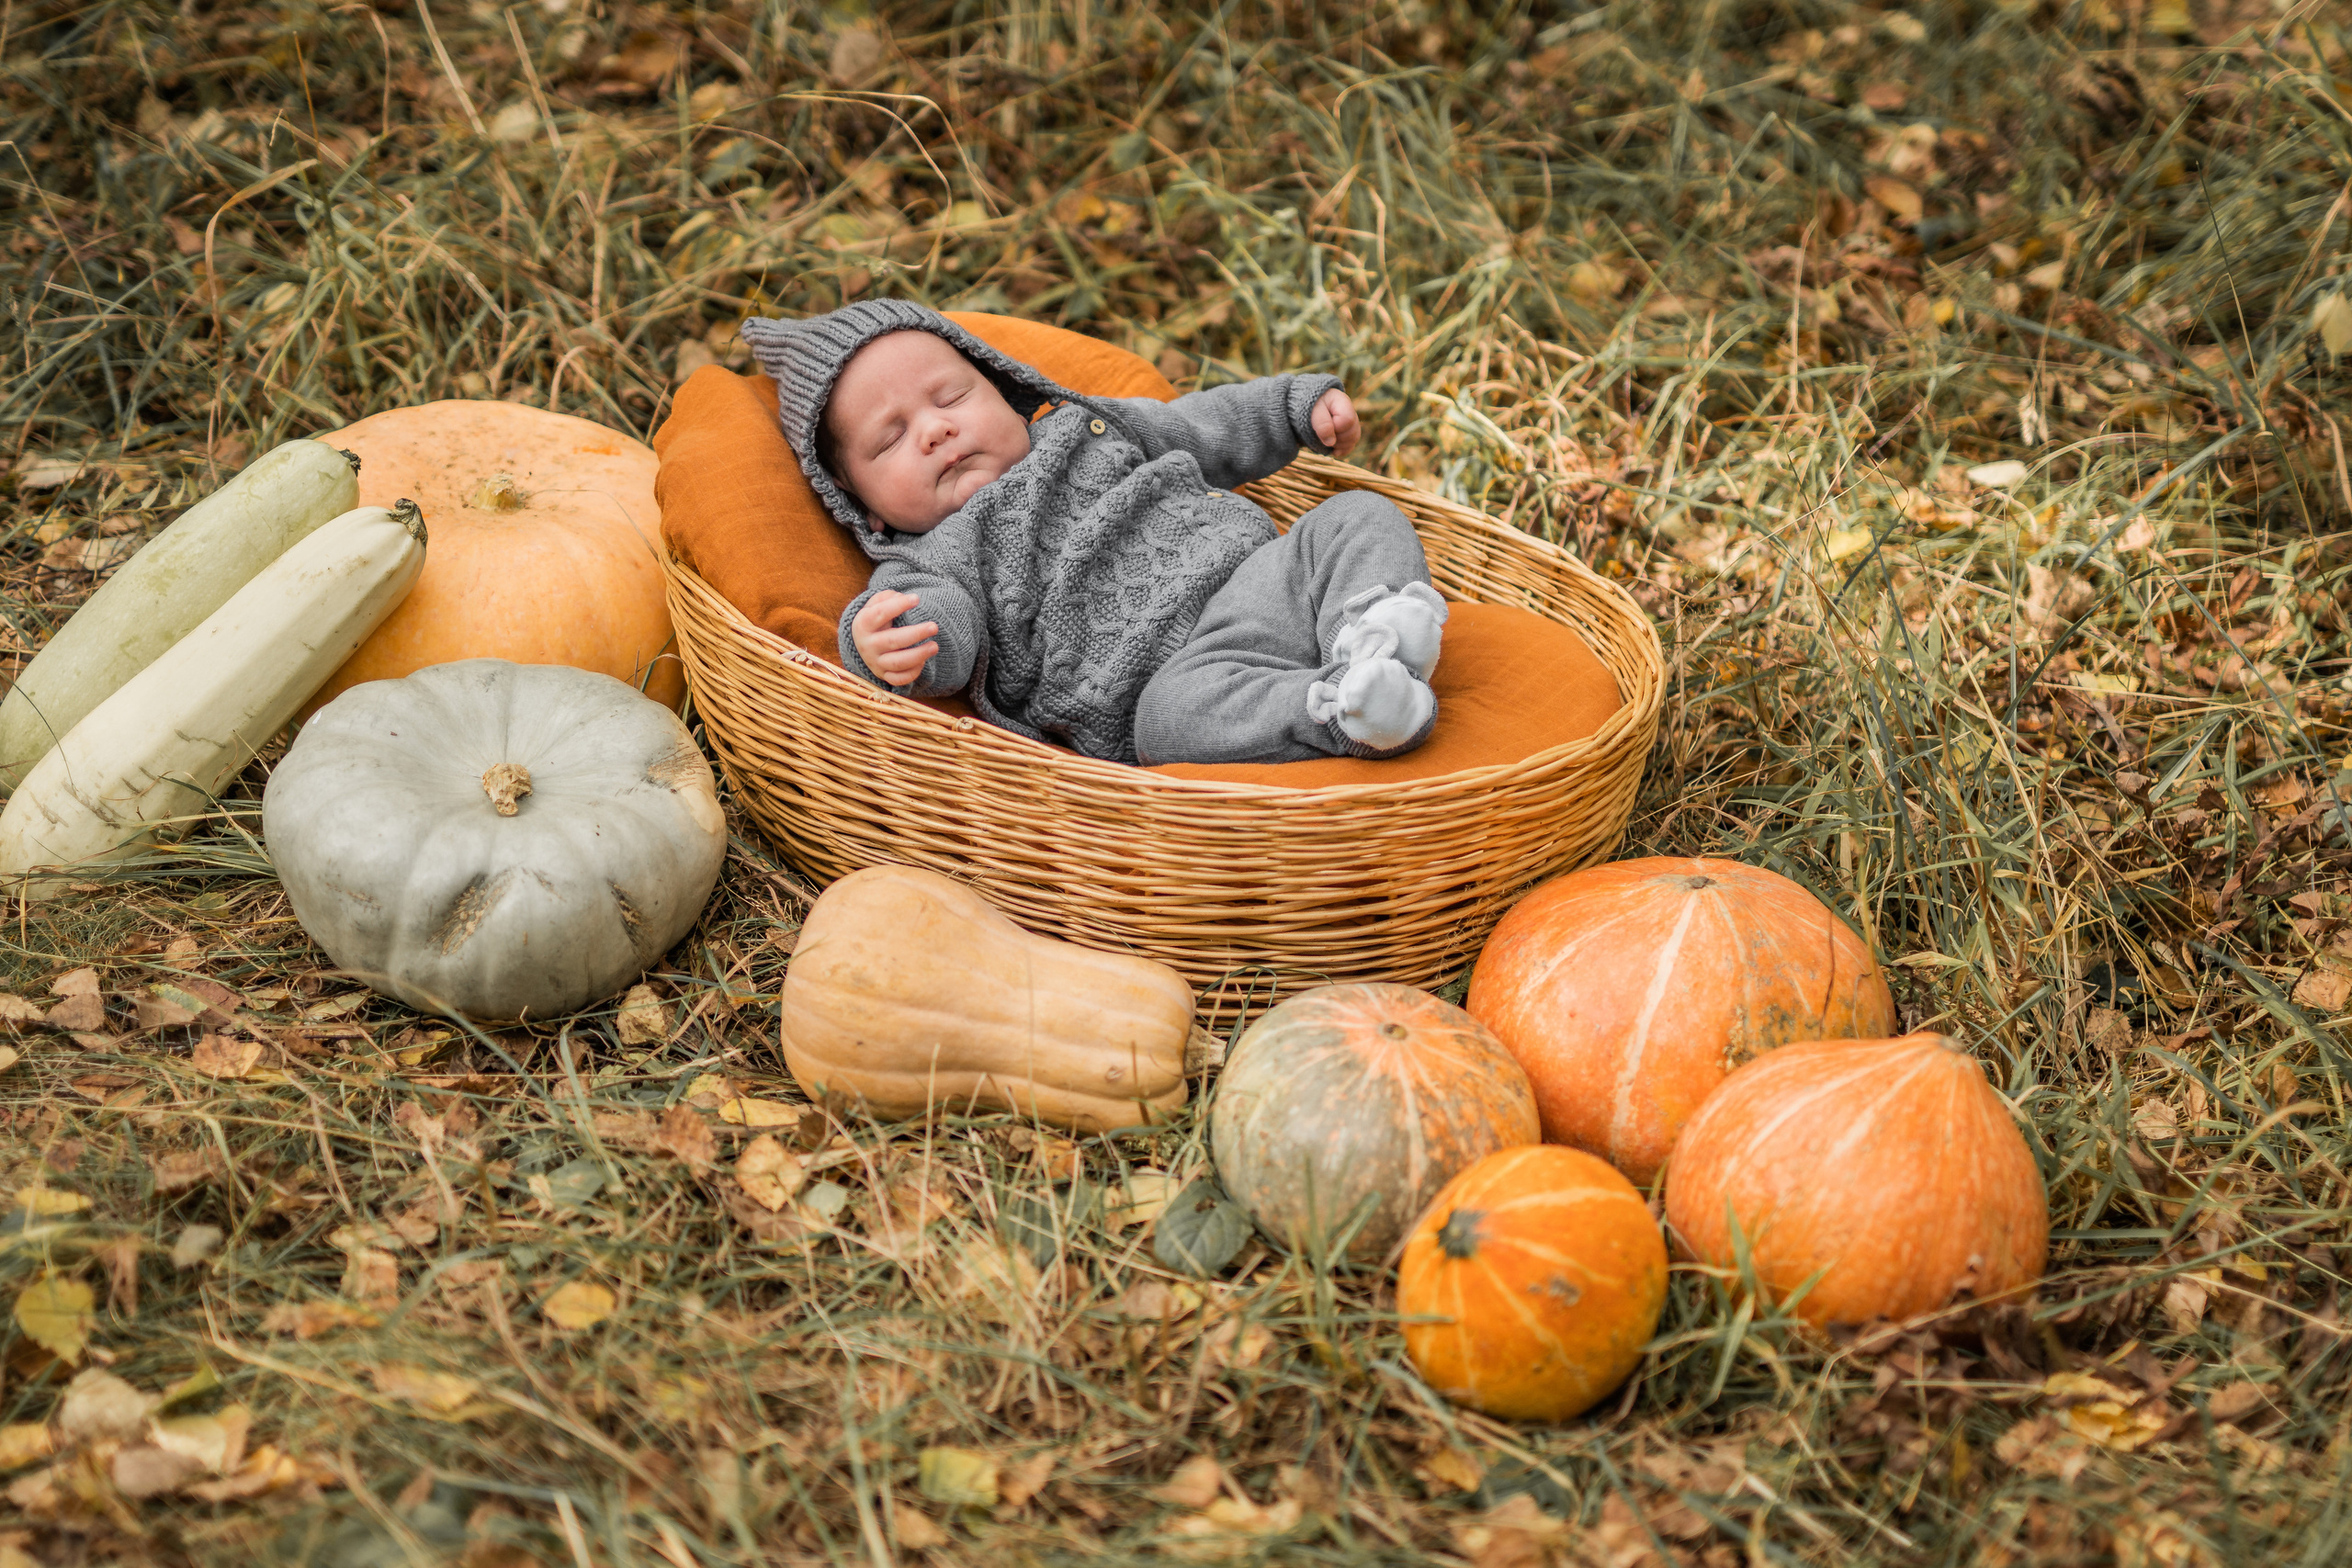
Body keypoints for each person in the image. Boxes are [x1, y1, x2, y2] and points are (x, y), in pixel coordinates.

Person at [740, 299, 1447, 766]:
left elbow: (1203, 425)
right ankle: (1348, 705)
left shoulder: (1087, 426)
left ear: (1007, 392)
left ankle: (1371, 631)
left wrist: (1293, 409)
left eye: (952, 395)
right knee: (1168, 726)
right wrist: (883, 640)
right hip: (1180, 684)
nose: (935, 429)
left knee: (1354, 516)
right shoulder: (930, 559)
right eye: (890, 439)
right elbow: (939, 633)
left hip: (1263, 583)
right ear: (863, 507)